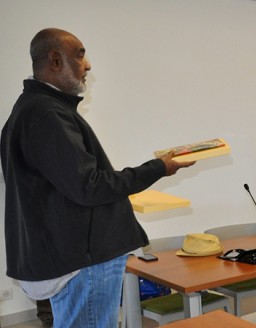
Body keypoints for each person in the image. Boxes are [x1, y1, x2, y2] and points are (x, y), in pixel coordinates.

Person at [1, 28, 194, 327]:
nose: (88, 64)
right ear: (54, 60)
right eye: (79, 55)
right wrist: (159, 167)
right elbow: (89, 187)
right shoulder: (46, 115)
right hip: (84, 259)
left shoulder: (29, 111)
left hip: (73, 254)